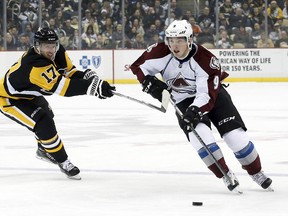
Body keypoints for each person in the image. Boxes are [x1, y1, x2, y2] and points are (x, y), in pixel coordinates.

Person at [130, 20, 273, 193]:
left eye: (180, 40)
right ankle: (225, 174)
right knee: (202, 140)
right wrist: (148, 82)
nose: (174, 45)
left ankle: (256, 172)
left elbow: (206, 95)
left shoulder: (206, 59)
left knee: (236, 138)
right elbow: (138, 66)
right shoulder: (159, 51)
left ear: (190, 40)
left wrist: (195, 110)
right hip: (183, 101)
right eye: (171, 40)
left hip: (214, 96)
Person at [0, 27, 115, 180]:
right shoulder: (36, 65)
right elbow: (64, 88)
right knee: (43, 122)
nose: (51, 49)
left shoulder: (58, 52)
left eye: (53, 45)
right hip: (9, 99)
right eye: (46, 46)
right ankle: (63, 161)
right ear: (37, 46)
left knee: (48, 114)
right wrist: (93, 87)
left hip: (29, 94)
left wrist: (85, 76)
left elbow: (69, 72)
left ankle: (43, 149)